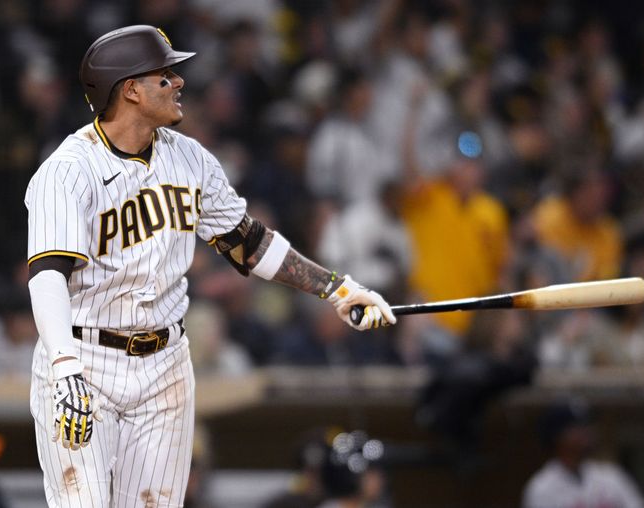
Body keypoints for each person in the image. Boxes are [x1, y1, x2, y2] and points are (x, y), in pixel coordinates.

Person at [24, 25, 396, 508]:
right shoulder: (68, 170)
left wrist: (338, 290)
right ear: (131, 89)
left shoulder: (190, 159)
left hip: (164, 365)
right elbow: (48, 275)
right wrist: (65, 366)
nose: (178, 82)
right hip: (84, 356)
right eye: (165, 75)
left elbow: (249, 244)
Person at [522, 398, 644, 508]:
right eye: (577, 426)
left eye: (587, 425)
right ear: (557, 436)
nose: (587, 431)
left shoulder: (611, 477)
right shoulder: (542, 488)